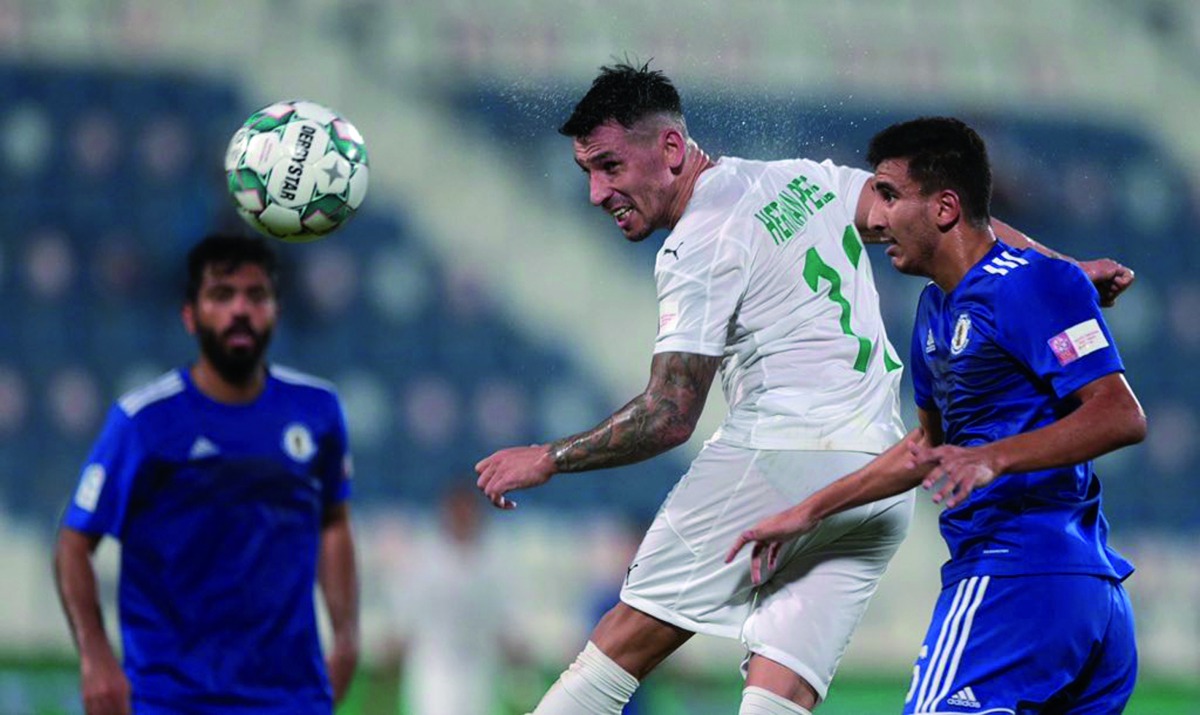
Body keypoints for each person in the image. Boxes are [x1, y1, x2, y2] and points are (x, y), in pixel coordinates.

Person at [475, 62, 1134, 715]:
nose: (597, 192)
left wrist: (550, 456)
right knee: (779, 694)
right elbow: (954, 224)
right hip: (876, 480)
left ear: (671, 149)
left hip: (781, 454)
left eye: (610, 166)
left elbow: (669, 415)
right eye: (587, 172)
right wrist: (1063, 268)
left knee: (619, 649)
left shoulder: (697, 244)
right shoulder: (800, 179)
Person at [727, 117, 1146, 714]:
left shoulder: (1029, 285)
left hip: (1015, 578)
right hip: (1075, 596)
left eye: (890, 195)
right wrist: (808, 512)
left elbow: (1120, 414)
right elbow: (924, 447)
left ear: (945, 207)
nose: (876, 218)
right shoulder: (935, 312)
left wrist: (991, 458)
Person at [53, 234, 360, 715]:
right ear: (190, 316)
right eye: (221, 295)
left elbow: (334, 522)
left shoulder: (317, 410)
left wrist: (346, 636)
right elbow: (74, 544)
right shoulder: (144, 421)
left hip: (290, 696)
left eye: (256, 296)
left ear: (276, 311)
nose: (240, 310)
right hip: (171, 696)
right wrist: (95, 657)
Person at [382, 482, 524, 714]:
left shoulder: (494, 561)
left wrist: (514, 644)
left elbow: (506, 616)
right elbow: (405, 613)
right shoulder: (423, 559)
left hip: (480, 664)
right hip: (432, 664)